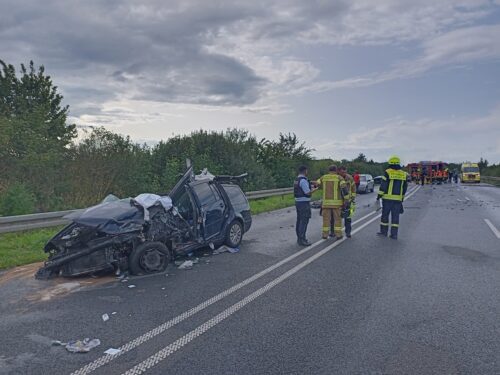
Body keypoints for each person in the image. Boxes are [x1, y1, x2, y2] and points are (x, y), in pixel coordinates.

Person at [377, 156, 408, 239]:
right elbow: (405, 188)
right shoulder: (403, 174)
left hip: (387, 199)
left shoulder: (388, 172)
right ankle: (394, 234)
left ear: (390, 163)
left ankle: (384, 232)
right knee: (395, 217)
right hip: (397, 200)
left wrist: (379, 196)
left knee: (385, 216)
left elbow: (383, 185)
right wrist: (402, 198)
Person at [316, 165, 348, 240]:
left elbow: (317, 183)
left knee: (326, 220)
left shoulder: (323, 177)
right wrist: (346, 200)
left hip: (326, 204)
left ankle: (325, 235)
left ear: (329, 170)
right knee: (337, 220)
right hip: (336, 204)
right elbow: (344, 189)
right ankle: (338, 235)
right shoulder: (339, 178)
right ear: (336, 170)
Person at [294, 165, 316, 246]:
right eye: (307, 171)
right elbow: (307, 192)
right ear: (305, 171)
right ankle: (302, 239)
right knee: (304, 221)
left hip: (298, 202)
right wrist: (315, 189)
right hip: (304, 203)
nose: (307, 172)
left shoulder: (297, 179)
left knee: (299, 221)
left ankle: (299, 238)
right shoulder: (303, 180)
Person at [339, 166, 356, 238]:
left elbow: (353, 188)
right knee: (336, 218)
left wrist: (352, 197)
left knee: (348, 217)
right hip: (338, 201)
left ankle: (348, 232)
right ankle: (336, 233)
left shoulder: (350, 178)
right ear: (338, 171)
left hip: (348, 201)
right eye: (343, 172)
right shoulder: (337, 178)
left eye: (345, 172)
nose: (344, 174)